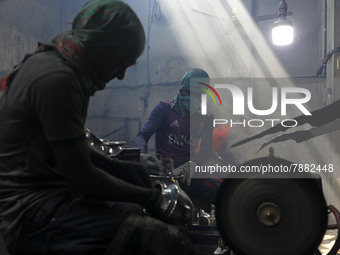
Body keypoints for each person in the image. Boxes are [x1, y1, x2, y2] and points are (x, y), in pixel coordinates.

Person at [0, 1, 194, 254]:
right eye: (119, 63)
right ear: (98, 47)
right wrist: (151, 197)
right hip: (27, 209)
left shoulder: (70, 67)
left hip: (52, 193)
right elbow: (81, 177)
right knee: (157, 238)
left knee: (134, 212)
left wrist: (121, 168)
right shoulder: (58, 78)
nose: (122, 75)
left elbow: (67, 150)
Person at [134, 68, 221, 212]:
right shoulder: (164, 109)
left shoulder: (206, 117)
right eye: (192, 93)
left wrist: (191, 165)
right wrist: (142, 156)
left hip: (189, 170)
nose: (196, 98)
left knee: (220, 189)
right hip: (165, 169)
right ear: (182, 91)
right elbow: (142, 136)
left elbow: (206, 148)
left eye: (200, 95)